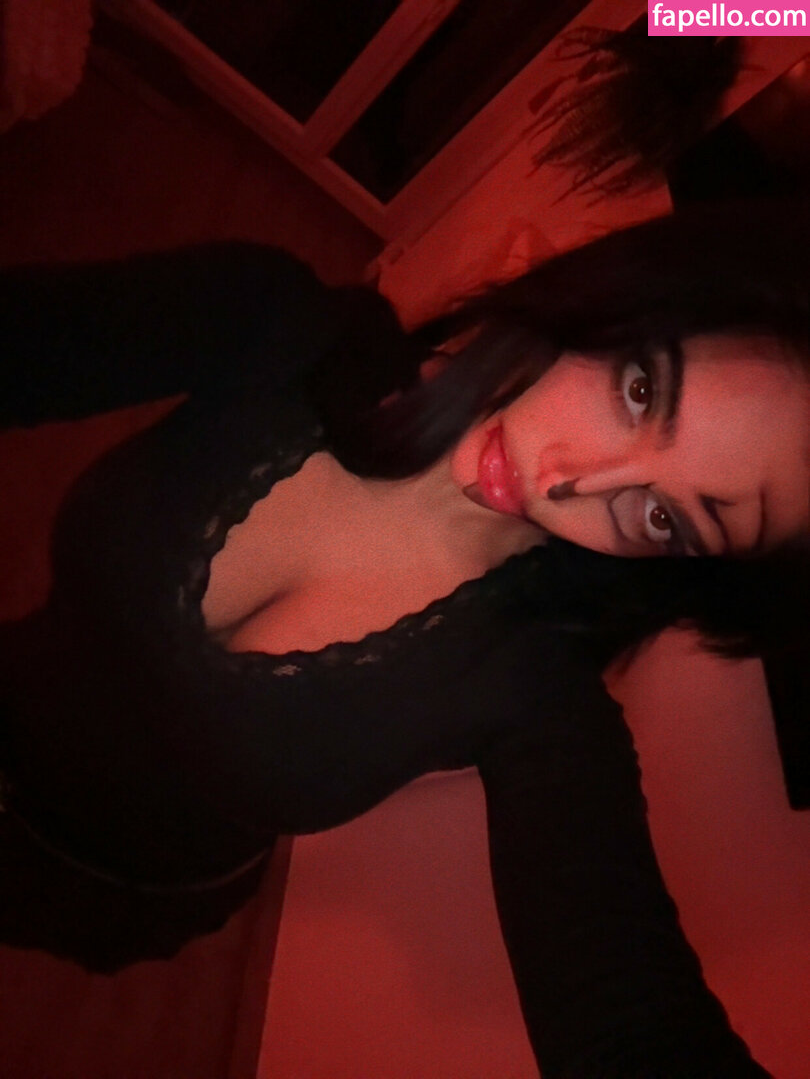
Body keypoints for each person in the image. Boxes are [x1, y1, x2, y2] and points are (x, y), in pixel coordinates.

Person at [1, 200, 807, 1077]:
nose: (569, 482)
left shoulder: (535, 692)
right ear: (616, 297)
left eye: (662, 517)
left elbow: (630, 1028)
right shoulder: (278, 327)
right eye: (639, 389)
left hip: (110, 892)